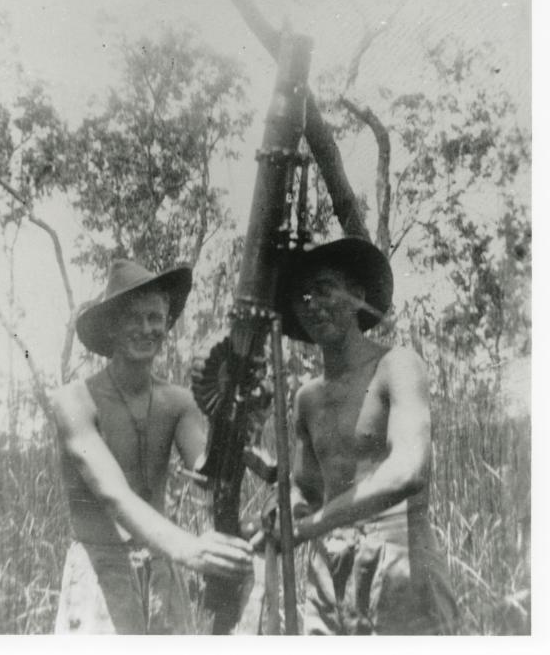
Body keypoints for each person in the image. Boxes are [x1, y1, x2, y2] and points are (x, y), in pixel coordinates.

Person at [52, 258, 253, 634]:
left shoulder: (178, 402)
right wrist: (191, 550)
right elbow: (114, 495)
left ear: (167, 324)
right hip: (102, 572)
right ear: (111, 326)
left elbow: (209, 472)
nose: (146, 329)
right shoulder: (74, 402)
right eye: (133, 318)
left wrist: (238, 412)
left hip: (163, 572)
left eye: (155, 318)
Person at [274, 236, 458, 635]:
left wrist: (313, 525)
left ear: (357, 296)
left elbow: (409, 470)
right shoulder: (307, 397)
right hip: (329, 565)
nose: (312, 304)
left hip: (399, 555)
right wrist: (282, 516)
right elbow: (306, 492)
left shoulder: (398, 365)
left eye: (323, 289)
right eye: (301, 296)